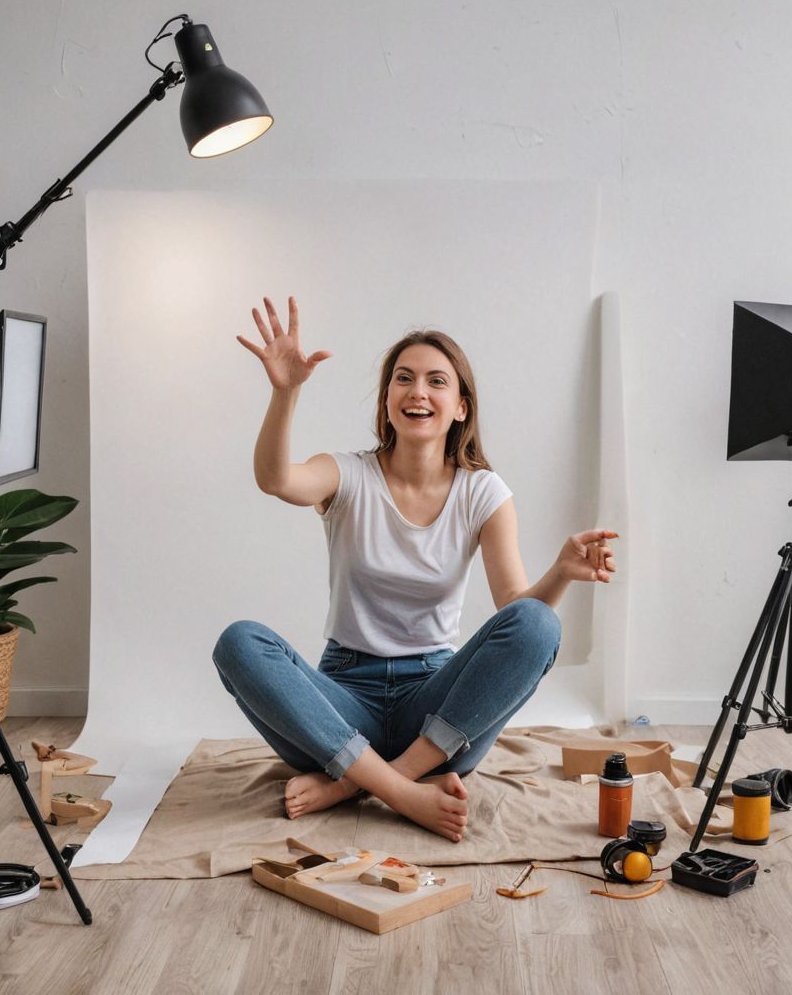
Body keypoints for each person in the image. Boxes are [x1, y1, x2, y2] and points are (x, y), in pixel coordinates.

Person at [213, 296, 617, 843]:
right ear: (385, 403)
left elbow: (515, 614)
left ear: (461, 408)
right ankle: (404, 792)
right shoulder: (347, 475)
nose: (417, 392)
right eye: (403, 379)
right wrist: (286, 393)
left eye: (435, 381)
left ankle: (361, 782)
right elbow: (276, 479)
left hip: (437, 714)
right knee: (239, 643)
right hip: (342, 704)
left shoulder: (484, 492)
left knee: (540, 623)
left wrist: (564, 572)